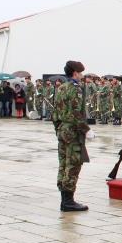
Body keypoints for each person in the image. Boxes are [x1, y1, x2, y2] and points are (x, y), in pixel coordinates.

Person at [53, 60, 93, 212]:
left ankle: (65, 199)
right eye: (81, 73)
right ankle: (68, 201)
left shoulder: (61, 87)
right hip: (73, 131)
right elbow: (77, 112)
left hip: (63, 129)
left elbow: (55, 113)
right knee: (73, 164)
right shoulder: (75, 89)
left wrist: (58, 129)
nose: (82, 76)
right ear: (75, 73)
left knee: (63, 163)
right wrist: (85, 129)